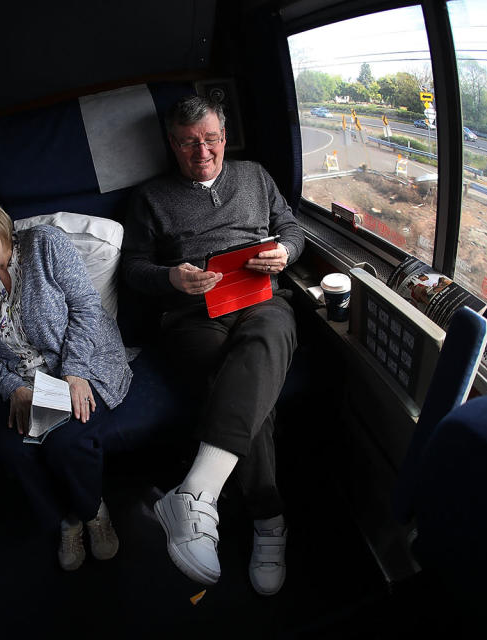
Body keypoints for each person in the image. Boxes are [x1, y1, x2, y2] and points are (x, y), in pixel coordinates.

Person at [121, 96, 305, 595]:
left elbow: (291, 227)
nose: (200, 151)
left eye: (210, 139)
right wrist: (170, 278)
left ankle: (197, 492)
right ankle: (269, 520)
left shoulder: (255, 176)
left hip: (259, 295)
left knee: (265, 342)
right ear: (172, 144)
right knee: (244, 387)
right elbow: (134, 268)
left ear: (225, 138)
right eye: (187, 143)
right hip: (192, 311)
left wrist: (284, 251)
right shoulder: (149, 197)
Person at [0, 189, 133, 572]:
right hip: (22, 381)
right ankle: (67, 521)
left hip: (81, 361)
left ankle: (94, 510)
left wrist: (76, 371)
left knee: (67, 441)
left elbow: (86, 306)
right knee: (12, 450)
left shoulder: (44, 244)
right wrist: (12, 387)